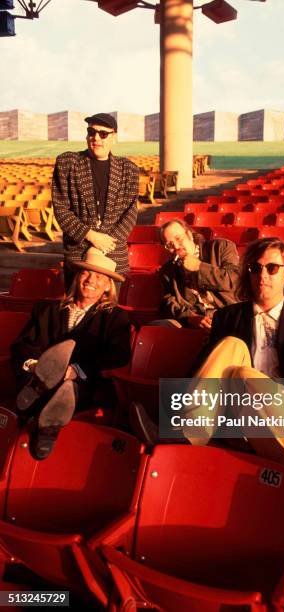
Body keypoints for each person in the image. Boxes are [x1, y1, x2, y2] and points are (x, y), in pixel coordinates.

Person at [183, 237, 284, 478]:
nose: (263, 275)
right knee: (231, 347)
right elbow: (208, 368)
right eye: (255, 268)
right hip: (236, 408)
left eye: (272, 268)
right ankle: (191, 433)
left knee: (242, 375)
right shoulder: (227, 317)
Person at [10, 248, 132, 460]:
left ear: (107, 287)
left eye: (99, 277)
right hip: (37, 372)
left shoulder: (114, 317)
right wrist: (34, 364)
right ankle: (42, 394)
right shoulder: (47, 309)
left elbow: (119, 354)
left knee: (68, 387)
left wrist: (76, 370)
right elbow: (23, 345)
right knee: (45, 375)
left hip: (81, 381)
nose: (90, 280)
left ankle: (48, 424)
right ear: (77, 277)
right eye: (86, 273)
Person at [52, 112, 139, 291]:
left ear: (114, 137)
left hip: (113, 256)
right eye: (91, 132)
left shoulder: (129, 169)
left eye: (103, 134)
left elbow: (130, 214)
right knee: (77, 312)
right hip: (78, 254)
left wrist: (101, 248)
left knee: (109, 314)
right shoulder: (67, 163)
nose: (96, 138)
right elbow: (61, 208)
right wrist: (90, 235)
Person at [158, 218, 240, 330]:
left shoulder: (220, 247)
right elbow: (169, 302)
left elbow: (233, 280)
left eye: (178, 238)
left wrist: (199, 267)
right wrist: (190, 317)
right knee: (158, 326)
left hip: (228, 316)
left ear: (189, 235)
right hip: (194, 323)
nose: (176, 247)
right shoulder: (167, 270)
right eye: (169, 245)